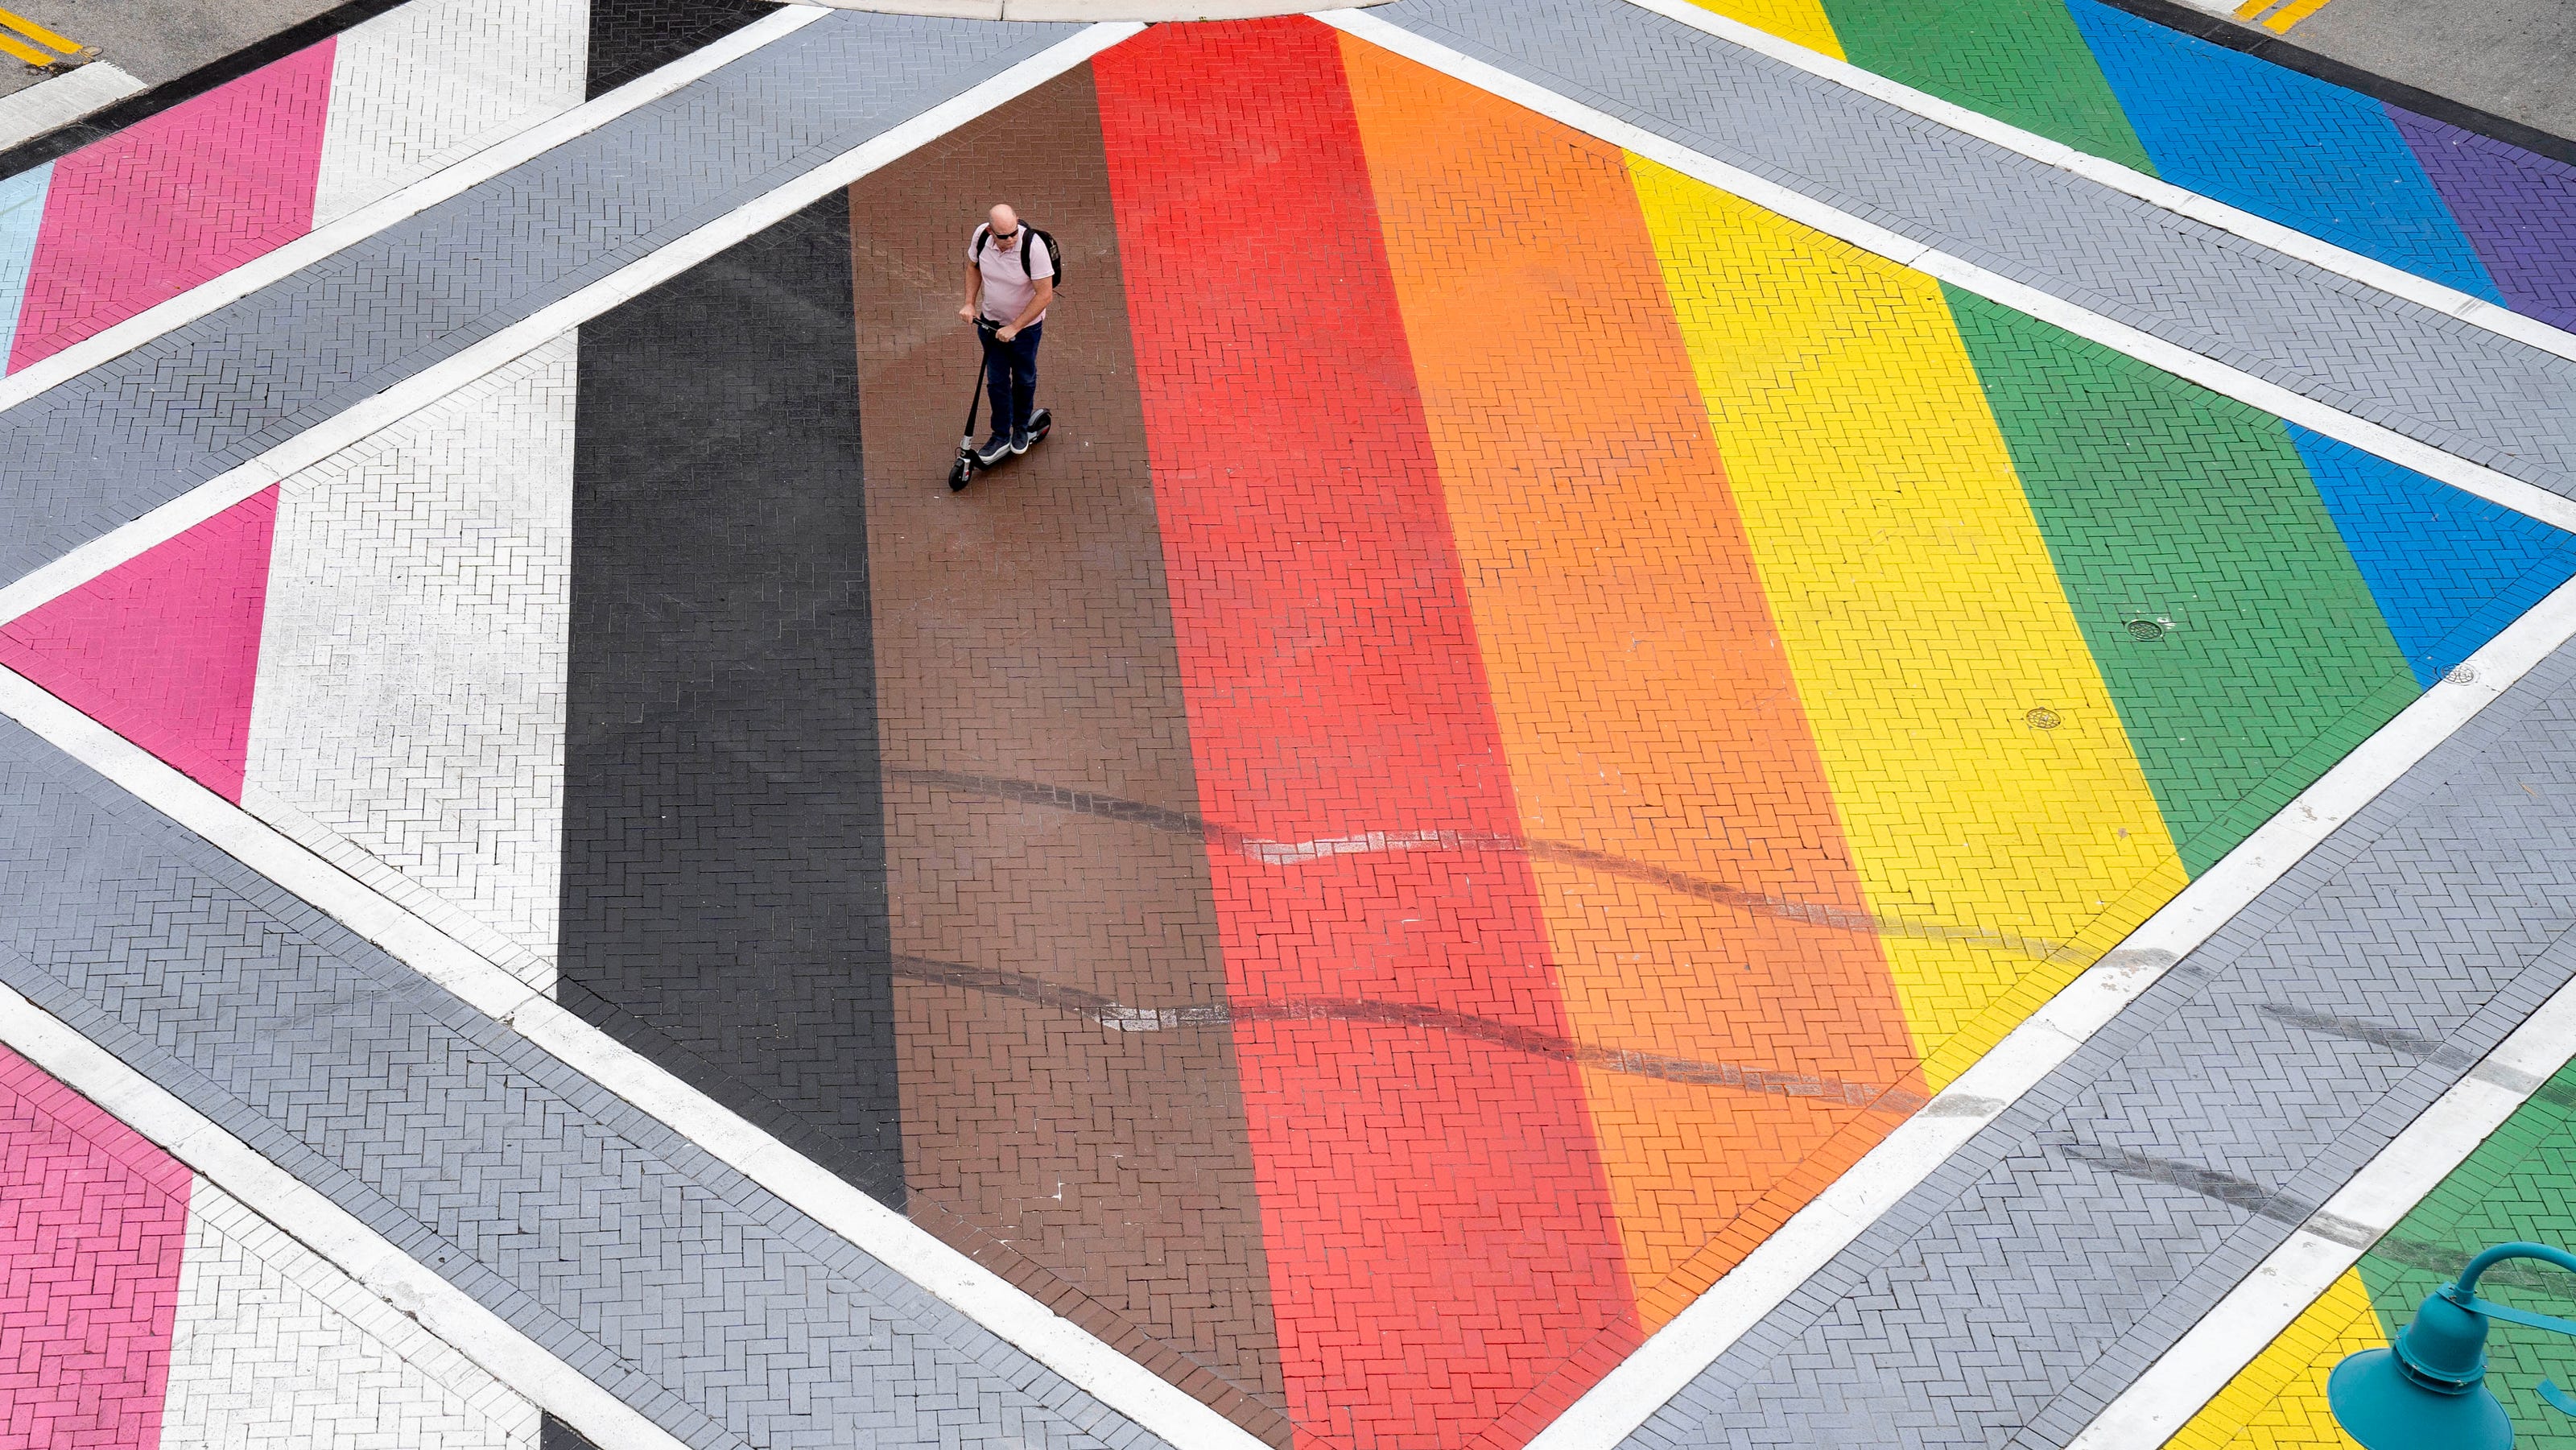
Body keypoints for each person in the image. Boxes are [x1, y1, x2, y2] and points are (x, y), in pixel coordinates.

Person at [960, 203, 1053, 467]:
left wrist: (1016, 326)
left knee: (1023, 379)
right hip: (990, 325)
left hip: (1025, 330)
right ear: (990, 231)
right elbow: (973, 268)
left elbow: (1045, 294)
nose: (1011, 239)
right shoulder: (981, 238)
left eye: (1013, 232)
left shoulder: (1032, 247)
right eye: (1003, 236)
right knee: (996, 382)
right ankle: (1000, 434)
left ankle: (1021, 427)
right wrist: (969, 303)